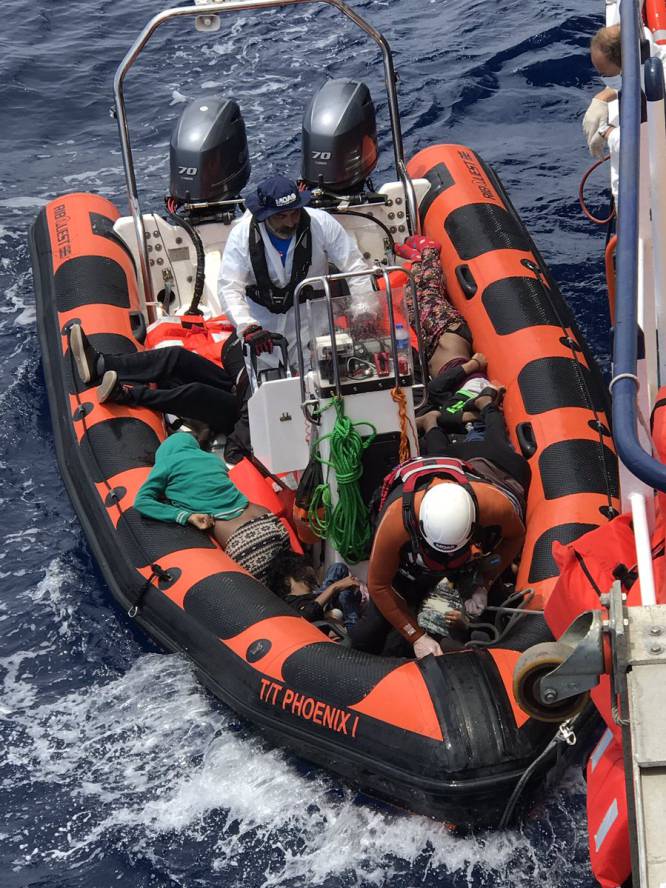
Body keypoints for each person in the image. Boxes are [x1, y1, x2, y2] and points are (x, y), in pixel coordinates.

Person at [361, 411, 529, 660]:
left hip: (461, 569)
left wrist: (485, 582)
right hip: (410, 571)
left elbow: (515, 537)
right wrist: (416, 636)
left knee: (480, 617)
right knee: (368, 634)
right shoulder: (396, 523)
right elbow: (378, 585)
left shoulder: (491, 505)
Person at [218, 174, 378, 370]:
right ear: (264, 214)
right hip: (263, 336)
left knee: (323, 382)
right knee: (269, 388)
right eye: (281, 216)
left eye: (294, 213)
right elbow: (229, 287)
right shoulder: (241, 236)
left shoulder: (322, 223)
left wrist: (364, 310)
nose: (290, 222)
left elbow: (355, 268)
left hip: (314, 325)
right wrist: (247, 326)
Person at [134, 431, 291, 586]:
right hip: (267, 518)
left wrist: (184, 516)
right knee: (291, 577)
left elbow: (142, 501)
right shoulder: (214, 460)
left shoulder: (166, 463)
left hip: (245, 540)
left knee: (267, 597)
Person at [69, 323, 243, 435]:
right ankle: (101, 364)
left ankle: (127, 395)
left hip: (247, 413)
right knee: (177, 356)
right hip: (244, 384)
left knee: (197, 392)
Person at [267, 555, 365, 629]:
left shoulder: (311, 591)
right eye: (301, 575)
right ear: (287, 581)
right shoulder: (288, 603)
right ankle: (353, 625)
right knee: (345, 595)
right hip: (320, 608)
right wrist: (335, 587)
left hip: (319, 597)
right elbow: (307, 614)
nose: (307, 580)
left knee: (337, 568)